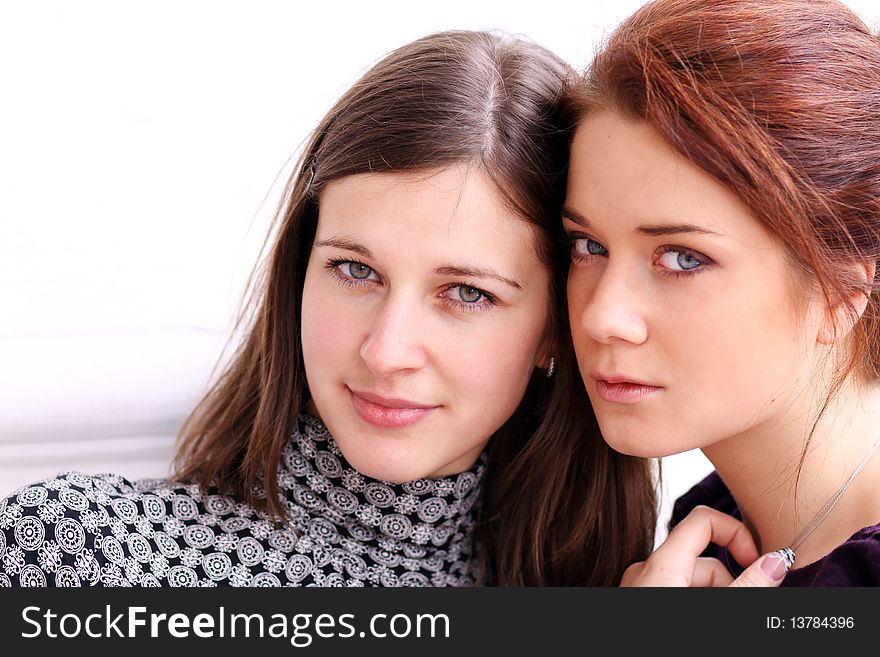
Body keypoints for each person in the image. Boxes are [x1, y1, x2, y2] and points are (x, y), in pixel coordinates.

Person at [0, 30, 655, 587]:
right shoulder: (81, 552)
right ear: (301, 268)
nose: (385, 350)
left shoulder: (607, 594)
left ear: (554, 331)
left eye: (466, 292)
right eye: (355, 270)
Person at [562, 0, 880, 586]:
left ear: (843, 290)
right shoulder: (707, 537)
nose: (602, 316)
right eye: (588, 246)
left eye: (683, 258)